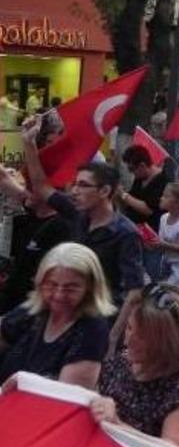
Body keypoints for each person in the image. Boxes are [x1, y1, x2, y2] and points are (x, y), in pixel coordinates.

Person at [22, 116, 144, 351]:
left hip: (102, 324)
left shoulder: (125, 233)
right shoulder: (78, 215)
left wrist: (113, 337)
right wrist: (29, 143)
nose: (75, 191)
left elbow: (134, 292)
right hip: (70, 316)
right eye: (75, 184)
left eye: (83, 186)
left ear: (105, 191)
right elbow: (42, 187)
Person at [90, 283, 179, 447]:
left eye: (143, 337)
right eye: (129, 328)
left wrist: (116, 424)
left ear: (169, 343)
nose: (127, 341)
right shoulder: (120, 363)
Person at [0, 243, 114, 388]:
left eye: (71, 288)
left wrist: (23, 380)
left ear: (90, 287)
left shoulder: (92, 328)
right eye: (51, 285)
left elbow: (66, 395)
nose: (59, 295)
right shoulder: (33, 311)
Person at [0, 163, 73, 313]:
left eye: (30, 187)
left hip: (32, 309)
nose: (23, 190)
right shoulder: (32, 208)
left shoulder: (62, 228)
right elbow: (3, 178)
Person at [120, 145, 170, 281]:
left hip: (152, 235)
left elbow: (148, 209)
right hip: (136, 233)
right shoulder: (140, 179)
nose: (131, 173)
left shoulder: (163, 181)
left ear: (142, 165)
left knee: (151, 272)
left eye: (132, 169)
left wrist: (124, 196)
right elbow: (133, 197)